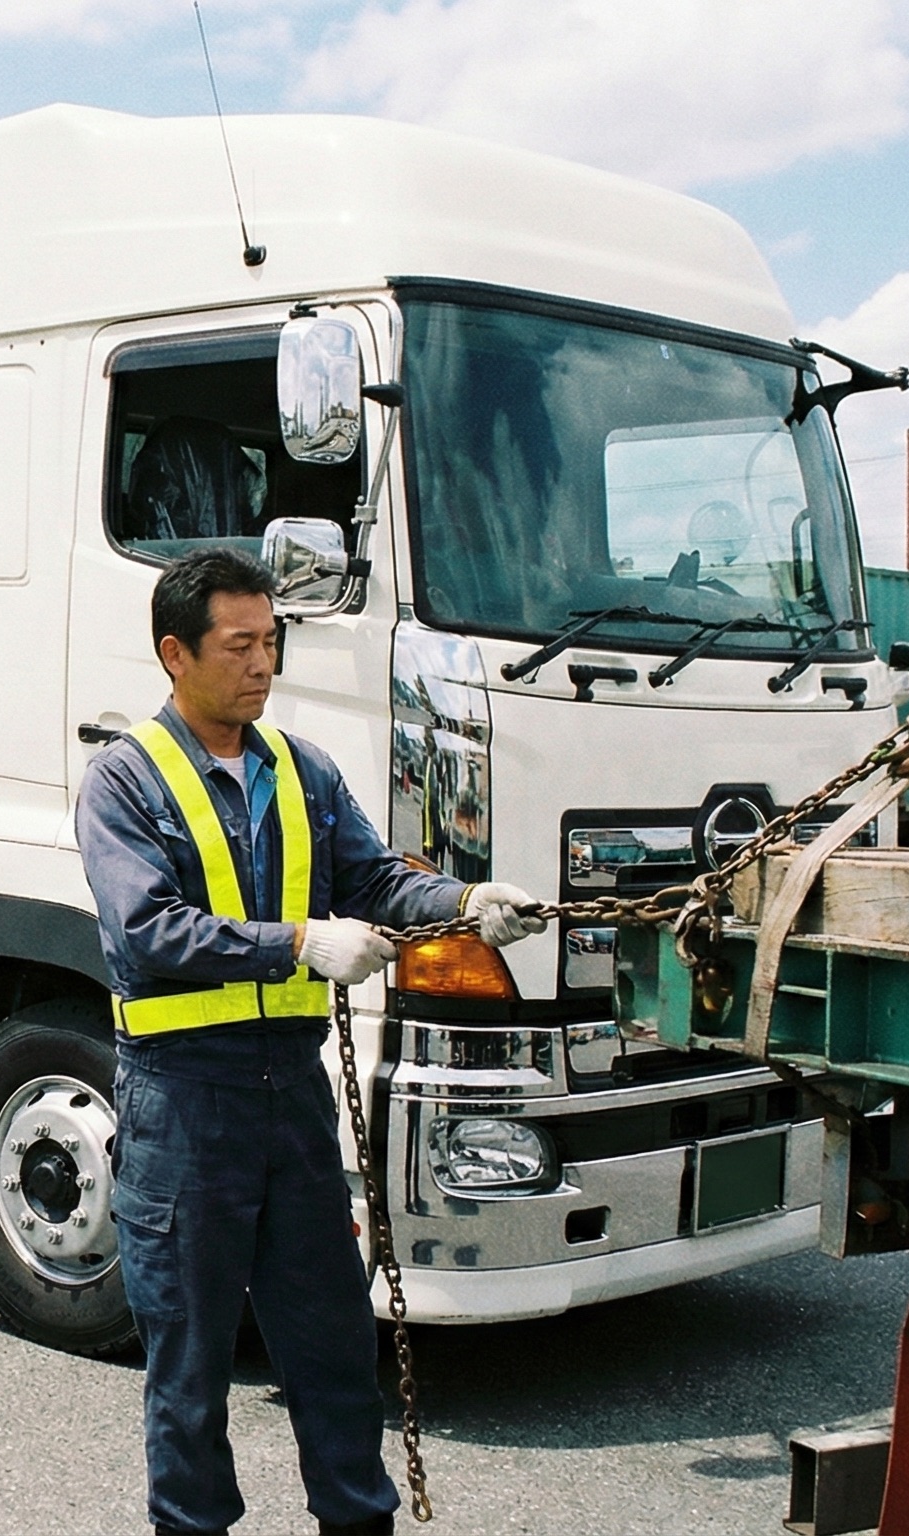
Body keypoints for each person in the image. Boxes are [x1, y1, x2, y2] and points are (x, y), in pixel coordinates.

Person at [75, 548, 544, 1536]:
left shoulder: (301, 770)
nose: (262, 665)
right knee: (191, 1374)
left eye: (271, 642)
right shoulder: (125, 782)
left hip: (289, 1097)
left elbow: (373, 882)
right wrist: (300, 942)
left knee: (333, 1351)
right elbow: (147, 932)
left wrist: (465, 905)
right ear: (174, 653)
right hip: (180, 1106)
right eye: (238, 645)